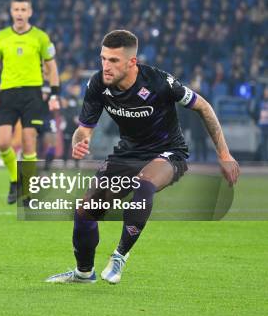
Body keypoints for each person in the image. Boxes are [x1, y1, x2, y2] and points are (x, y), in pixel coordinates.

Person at [46, 30, 240, 284]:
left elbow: (203, 107)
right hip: (128, 153)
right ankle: (84, 273)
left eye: (113, 61)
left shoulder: (160, 83)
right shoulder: (98, 84)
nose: (106, 66)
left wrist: (224, 154)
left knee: (144, 182)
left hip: (169, 152)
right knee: (85, 211)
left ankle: (120, 256)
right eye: (103, 59)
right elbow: (84, 129)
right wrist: (80, 142)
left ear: (131, 62)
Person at [0, 0, 60, 204]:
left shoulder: (40, 37)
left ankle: (27, 191)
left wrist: (54, 93)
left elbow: (52, 67)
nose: (19, 13)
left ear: (30, 12)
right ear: (11, 12)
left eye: (23, 10)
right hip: (8, 93)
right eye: (16, 9)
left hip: (32, 95)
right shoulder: (1, 36)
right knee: (1, 143)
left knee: (29, 142)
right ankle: (14, 179)